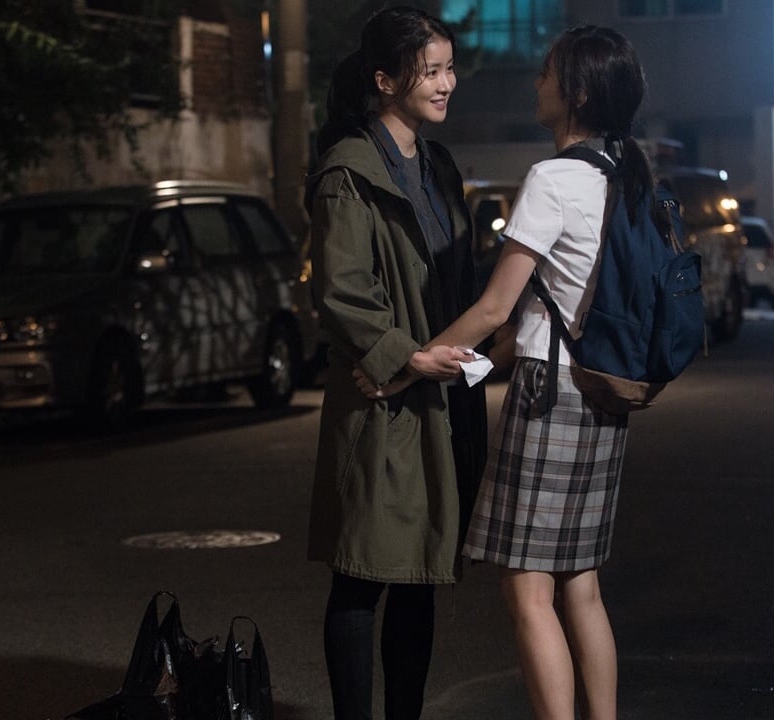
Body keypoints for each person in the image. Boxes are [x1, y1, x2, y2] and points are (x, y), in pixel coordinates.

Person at [358, 25, 667, 720]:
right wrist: (459, 374)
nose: (537, 83)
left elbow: (495, 308)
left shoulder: (554, 179)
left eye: (547, 72)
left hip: (550, 399)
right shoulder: (625, 174)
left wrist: (405, 367)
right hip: (602, 393)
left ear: (577, 92)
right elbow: (528, 323)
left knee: (528, 589)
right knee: (581, 585)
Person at [305, 6, 488, 720]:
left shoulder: (439, 168)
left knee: (420, 572)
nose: (447, 84)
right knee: (362, 576)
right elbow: (342, 291)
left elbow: (460, 279)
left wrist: (456, 355)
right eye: (430, 71)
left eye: (449, 69)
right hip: (381, 401)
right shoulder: (348, 171)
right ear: (385, 81)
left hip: (439, 395)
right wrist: (400, 357)